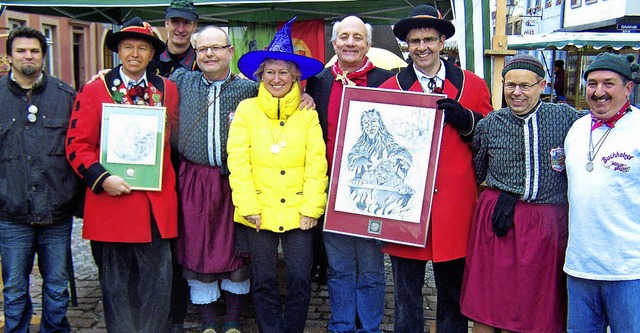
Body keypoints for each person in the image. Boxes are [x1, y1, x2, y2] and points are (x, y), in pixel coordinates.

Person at [377, 5, 493, 332]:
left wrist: (468, 121)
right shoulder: (389, 89)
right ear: (407, 46)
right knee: (406, 298)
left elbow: (489, 141)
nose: (422, 47)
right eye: (415, 41)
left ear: (442, 41)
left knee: (453, 297)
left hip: (455, 208)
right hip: (407, 208)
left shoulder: (473, 85)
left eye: (429, 39)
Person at [65, 17, 179, 332]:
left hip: (155, 206)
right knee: (117, 288)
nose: (134, 53)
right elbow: (77, 145)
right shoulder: (94, 89)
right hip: (112, 205)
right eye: (128, 46)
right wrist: (103, 179)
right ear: (118, 51)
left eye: (142, 47)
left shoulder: (167, 90)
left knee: (157, 287)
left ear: (151, 53)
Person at [460, 54, 583, 332]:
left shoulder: (566, 118)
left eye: (525, 86)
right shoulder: (491, 124)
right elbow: (478, 169)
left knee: (534, 304)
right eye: (510, 85)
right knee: (490, 301)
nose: (517, 93)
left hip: (546, 222)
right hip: (499, 220)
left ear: (542, 86)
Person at [227, 18, 327, 333]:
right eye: (270, 71)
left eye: (284, 71)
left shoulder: (308, 114)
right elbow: (238, 162)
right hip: (258, 209)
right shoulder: (246, 111)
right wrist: (248, 206)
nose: (277, 78)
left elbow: (316, 163)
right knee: (265, 280)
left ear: (296, 75)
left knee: (299, 278)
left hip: (300, 211)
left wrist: (312, 208)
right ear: (260, 75)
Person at [305, 15, 394, 333]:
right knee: (339, 265)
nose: (350, 43)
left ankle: (369, 326)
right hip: (331, 187)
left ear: (368, 44)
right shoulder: (318, 82)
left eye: (358, 37)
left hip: (371, 190)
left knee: (370, 266)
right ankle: (342, 323)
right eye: (344, 37)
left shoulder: (387, 80)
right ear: (334, 44)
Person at [169, 26, 256, 333]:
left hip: (235, 183)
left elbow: (281, 96)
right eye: (203, 49)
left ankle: (232, 321)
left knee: (236, 250)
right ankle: (207, 323)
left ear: (230, 52)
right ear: (196, 53)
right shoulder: (181, 82)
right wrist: (107, 75)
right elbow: (147, 86)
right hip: (195, 182)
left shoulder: (249, 89)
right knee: (198, 249)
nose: (209, 54)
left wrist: (305, 98)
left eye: (217, 48)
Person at [0, 26, 82, 333]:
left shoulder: (65, 96)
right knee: (15, 288)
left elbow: (80, 146)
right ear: (9, 57)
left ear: (43, 56)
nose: (28, 56)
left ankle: (54, 329)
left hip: (55, 212)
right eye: (20, 51)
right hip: (11, 213)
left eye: (34, 50)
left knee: (58, 286)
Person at [564, 52, 640, 332]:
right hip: (580, 265)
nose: (598, 92)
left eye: (608, 83)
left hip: (628, 269)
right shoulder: (577, 129)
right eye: (592, 84)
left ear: (628, 88)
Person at [149, 0, 200, 76]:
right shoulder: (150, 59)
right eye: (175, 22)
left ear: (194, 26)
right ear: (166, 24)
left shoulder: (201, 64)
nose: (180, 29)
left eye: (186, 23)